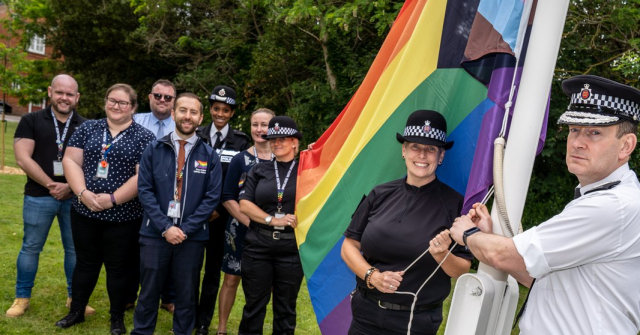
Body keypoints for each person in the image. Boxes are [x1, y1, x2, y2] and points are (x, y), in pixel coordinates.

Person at [450, 75, 640, 335]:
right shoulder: (604, 198)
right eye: (574, 130)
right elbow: (543, 278)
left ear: (626, 145)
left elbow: (506, 255)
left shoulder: (613, 206)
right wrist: (490, 236)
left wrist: (467, 234)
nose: (578, 142)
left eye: (595, 133)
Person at [341, 110, 472, 335]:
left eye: (431, 149)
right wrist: (372, 275)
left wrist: (442, 255)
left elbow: (462, 269)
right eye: (415, 147)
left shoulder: (455, 204)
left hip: (415, 321)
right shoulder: (379, 194)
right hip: (365, 314)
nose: (422, 155)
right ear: (404, 151)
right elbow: (349, 245)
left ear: (441, 156)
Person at [55, 83, 155, 334]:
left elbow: (142, 177)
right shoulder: (88, 128)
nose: (116, 106)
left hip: (123, 215)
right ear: (105, 101)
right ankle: (76, 311)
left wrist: (112, 199)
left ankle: (116, 318)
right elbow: (70, 160)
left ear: (133, 107)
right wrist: (82, 193)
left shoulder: (145, 137)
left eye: (123, 102)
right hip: (84, 211)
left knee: (118, 268)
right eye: (112, 100)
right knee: (85, 263)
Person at [132, 93, 222, 335]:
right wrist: (165, 226)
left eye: (193, 112)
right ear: (173, 114)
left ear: (201, 118)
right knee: (149, 290)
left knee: (186, 293)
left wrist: (185, 229)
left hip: (191, 238)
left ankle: (181, 331)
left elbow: (211, 198)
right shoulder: (154, 148)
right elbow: (145, 190)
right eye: (183, 110)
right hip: (154, 234)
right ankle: (141, 331)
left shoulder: (209, 155)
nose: (187, 116)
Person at [8, 74, 95, 317]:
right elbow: (22, 158)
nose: (64, 98)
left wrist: (70, 186)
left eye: (69, 94)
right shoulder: (30, 120)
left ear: (77, 97)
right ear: (50, 92)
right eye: (60, 92)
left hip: (75, 198)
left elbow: (91, 164)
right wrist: (50, 184)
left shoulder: (87, 125)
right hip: (39, 195)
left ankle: (74, 299)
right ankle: (22, 298)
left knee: (75, 250)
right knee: (31, 247)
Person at [237, 115, 304, 335]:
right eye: (273, 139)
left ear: (295, 141)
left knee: (285, 310)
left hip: (291, 249)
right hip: (259, 245)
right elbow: (244, 204)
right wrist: (272, 219)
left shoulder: (307, 170)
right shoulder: (259, 169)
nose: (276, 143)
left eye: (282, 138)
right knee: (254, 306)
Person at [194, 85, 251, 335]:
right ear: (210, 109)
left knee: (212, 273)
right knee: (189, 271)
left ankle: (204, 322)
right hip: (194, 216)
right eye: (216, 108)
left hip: (222, 218)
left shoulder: (241, 141)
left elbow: (238, 182)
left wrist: (218, 208)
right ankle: (187, 317)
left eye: (225, 110)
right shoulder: (195, 135)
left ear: (232, 113)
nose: (220, 113)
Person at [217, 108, 275, 334]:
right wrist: (251, 223)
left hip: (272, 233)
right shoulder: (240, 159)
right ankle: (221, 328)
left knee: (265, 284)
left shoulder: (283, 160)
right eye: (255, 125)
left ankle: (252, 325)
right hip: (240, 229)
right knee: (231, 279)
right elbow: (227, 197)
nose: (260, 129)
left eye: (265, 125)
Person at [130, 78, 178, 313]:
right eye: (157, 96)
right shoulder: (134, 121)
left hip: (167, 201)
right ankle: (130, 295)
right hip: (132, 196)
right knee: (132, 248)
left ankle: (168, 297)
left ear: (173, 102)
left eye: (167, 97)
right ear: (149, 97)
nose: (162, 100)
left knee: (168, 247)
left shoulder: (181, 125)